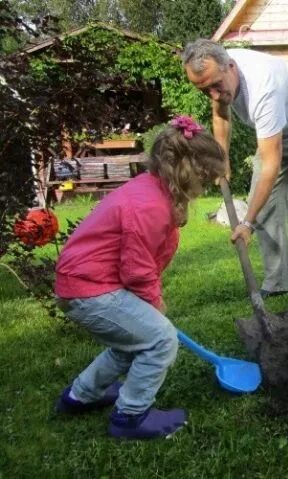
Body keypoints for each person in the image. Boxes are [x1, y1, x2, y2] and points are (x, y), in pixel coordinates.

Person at [54, 116, 226, 439]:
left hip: (88, 283)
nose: (205, 187)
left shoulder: (154, 190)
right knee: (161, 339)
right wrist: (154, 302)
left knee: (133, 341)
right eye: (206, 179)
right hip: (90, 290)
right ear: (190, 173)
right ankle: (130, 417)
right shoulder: (149, 205)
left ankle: (80, 396)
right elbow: (136, 268)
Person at [181, 39, 288, 317]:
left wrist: (247, 223)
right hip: (277, 130)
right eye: (204, 90)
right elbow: (221, 116)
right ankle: (276, 282)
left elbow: (270, 165)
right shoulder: (219, 74)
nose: (214, 95)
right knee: (265, 206)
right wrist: (222, 160)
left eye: (216, 86)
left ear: (231, 67)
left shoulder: (263, 87)